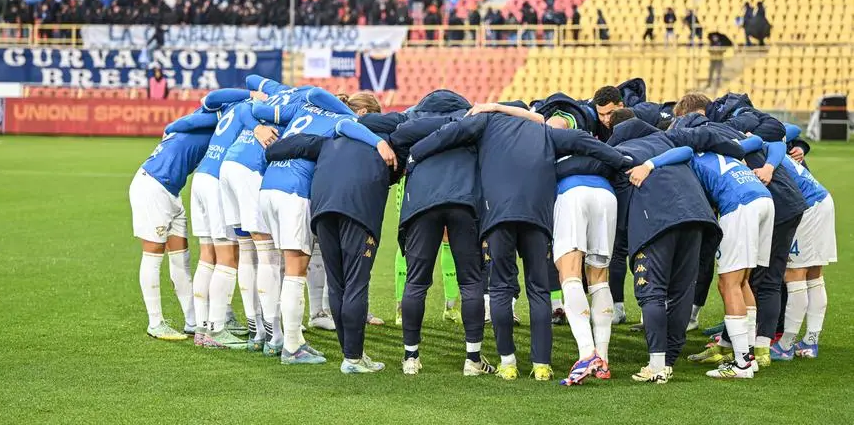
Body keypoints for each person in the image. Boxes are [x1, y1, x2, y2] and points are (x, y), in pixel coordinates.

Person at [409, 104, 629, 382]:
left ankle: (508, 363)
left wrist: (415, 153)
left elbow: (447, 134)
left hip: (498, 215)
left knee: (500, 287)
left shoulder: (486, 123)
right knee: (538, 289)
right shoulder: (544, 132)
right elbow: (583, 142)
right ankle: (541, 366)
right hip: (537, 216)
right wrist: (622, 160)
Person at [249, 89, 397, 364]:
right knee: (296, 270)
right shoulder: (342, 121)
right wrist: (378, 142)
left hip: (268, 187)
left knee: (270, 262)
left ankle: (271, 335)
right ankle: (291, 346)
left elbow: (257, 111)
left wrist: (256, 126)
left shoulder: (304, 111)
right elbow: (342, 121)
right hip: (296, 192)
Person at [632, 102, 775, 380]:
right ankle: (749, 356)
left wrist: (650, 164)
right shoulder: (723, 150)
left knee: (729, 283)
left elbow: (683, 151)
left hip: (740, 205)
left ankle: (742, 363)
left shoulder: (691, 154)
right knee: (744, 280)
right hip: (762, 198)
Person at [608, 109, 721, 384]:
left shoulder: (620, 153)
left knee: (652, 291)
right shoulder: (665, 142)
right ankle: (668, 359)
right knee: (682, 291)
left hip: (657, 221)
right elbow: (688, 150)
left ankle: (657, 364)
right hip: (698, 218)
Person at [389, 91, 493, 376]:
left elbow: (396, 133)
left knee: (417, 280)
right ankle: (472, 359)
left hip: (422, 203)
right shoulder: (473, 121)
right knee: (471, 280)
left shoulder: (412, 124)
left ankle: (411, 357)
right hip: (464, 199)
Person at [703, 93, 808, 367]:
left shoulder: (730, 140)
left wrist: (770, 167)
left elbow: (782, 135)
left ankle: (747, 348)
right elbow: (781, 136)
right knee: (757, 278)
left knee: (748, 278)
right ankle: (753, 348)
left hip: (774, 205)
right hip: (786, 203)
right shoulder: (748, 137)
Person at [129, 106, 223, 341]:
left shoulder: (197, 124)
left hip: (172, 192)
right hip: (153, 186)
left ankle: (192, 320)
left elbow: (176, 126)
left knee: (181, 258)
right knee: (153, 256)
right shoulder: (212, 122)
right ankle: (155, 322)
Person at [186, 88, 262, 349]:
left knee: (208, 255)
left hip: (201, 177)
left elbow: (208, 98)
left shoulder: (232, 107)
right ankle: (216, 329)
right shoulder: (253, 110)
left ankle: (201, 327)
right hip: (218, 182)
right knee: (229, 257)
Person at [219, 75, 290, 351]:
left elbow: (249, 92)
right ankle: (273, 335)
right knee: (268, 254)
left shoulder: (268, 101)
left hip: (230, 165)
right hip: (250, 171)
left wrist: (256, 119)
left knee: (247, 251)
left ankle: (256, 329)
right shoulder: (294, 107)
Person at [771, 124, 836, 361]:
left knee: (794, 274)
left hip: (808, 208)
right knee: (814, 274)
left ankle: (786, 345)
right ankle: (810, 341)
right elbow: (792, 129)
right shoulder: (773, 145)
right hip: (822, 199)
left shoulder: (759, 153)